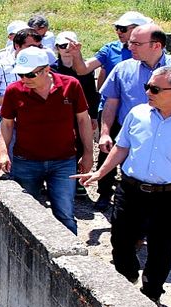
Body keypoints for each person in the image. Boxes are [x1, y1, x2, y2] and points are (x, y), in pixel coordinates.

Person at [73, 66, 171, 304]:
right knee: (120, 241)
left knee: (161, 249)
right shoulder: (137, 113)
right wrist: (100, 173)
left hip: (168, 197)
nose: (148, 92)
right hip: (129, 190)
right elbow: (122, 148)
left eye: (154, 88)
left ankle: (152, 294)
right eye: (147, 87)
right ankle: (127, 276)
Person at [99, 24, 171, 256]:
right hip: (135, 137)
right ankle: (135, 235)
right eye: (130, 42)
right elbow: (111, 103)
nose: (129, 46)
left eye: (136, 43)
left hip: (170, 136)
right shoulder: (123, 68)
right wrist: (105, 132)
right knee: (136, 184)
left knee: (169, 186)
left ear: (156, 45)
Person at [0, 47, 93, 234]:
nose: (24, 79)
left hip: (64, 161)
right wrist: (2, 153)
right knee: (24, 214)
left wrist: (88, 153)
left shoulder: (71, 85)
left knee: (65, 214)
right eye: (21, 74)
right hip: (26, 161)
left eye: (30, 74)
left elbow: (83, 119)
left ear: (46, 69)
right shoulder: (14, 91)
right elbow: (6, 125)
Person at [67, 11, 152, 209]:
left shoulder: (151, 52)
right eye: (117, 28)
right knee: (107, 153)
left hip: (145, 116)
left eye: (123, 29)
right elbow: (83, 69)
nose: (119, 33)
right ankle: (104, 193)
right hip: (114, 113)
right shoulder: (110, 49)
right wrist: (77, 55)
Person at [52, 31, 100, 197]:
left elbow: (91, 93)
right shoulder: (51, 69)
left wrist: (93, 116)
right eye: (62, 46)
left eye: (70, 45)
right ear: (56, 48)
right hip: (60, 115)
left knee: (81, 145)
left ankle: (76, 180)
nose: (66, 49)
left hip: (81, 113)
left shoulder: (85, 68)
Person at [0, 28, 42, 134]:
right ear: (17, 46)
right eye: (30, 47)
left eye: (38, 47)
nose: (35, 51)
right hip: (8, 118)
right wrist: (16, 100)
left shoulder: (42, 67)